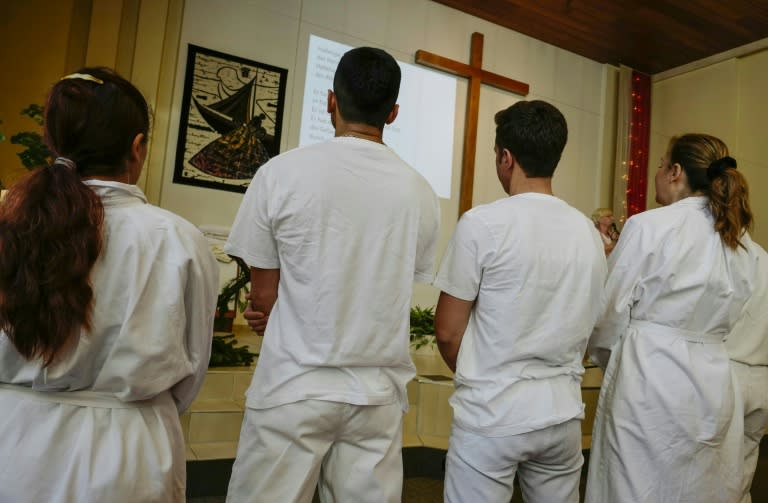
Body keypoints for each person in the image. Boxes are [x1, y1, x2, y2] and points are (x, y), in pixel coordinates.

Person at [223, 47, 440, 503]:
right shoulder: (420, 191)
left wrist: (271, 311)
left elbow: (263, 297)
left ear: (330, 101)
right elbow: (398, 278)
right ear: (393, 113)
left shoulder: (280, 172)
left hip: (294, 385)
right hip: (376, 394)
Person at [0, 68, 219, 502]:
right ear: (137, 148)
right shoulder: (176, 239)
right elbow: (191, 366)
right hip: (125, 451)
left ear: (53, 140)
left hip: (11, 443)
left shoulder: (10, 224)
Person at [433, 100, 607, 503]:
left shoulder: (483, 223)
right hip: (561, 414)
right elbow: (587, 324)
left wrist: (486, 375)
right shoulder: (587, 233)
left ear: (506, 158)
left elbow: (446, 332)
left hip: (492, 415)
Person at [585, 134, 757, 502]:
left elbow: (609, 314)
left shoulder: (649, 226)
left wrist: (613, 361)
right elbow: (739, 315)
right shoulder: (741, 242)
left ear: (676, 172)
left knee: (634, 487)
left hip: (648, 378)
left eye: (661, 165)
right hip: (713, 382)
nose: (658, 173)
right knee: (699, 488)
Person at [726, 241, 768, 502]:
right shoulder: (763, 258)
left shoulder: (727, 258)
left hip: (728, 372)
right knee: (742, 480)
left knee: (711, 478)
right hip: (762, 377)